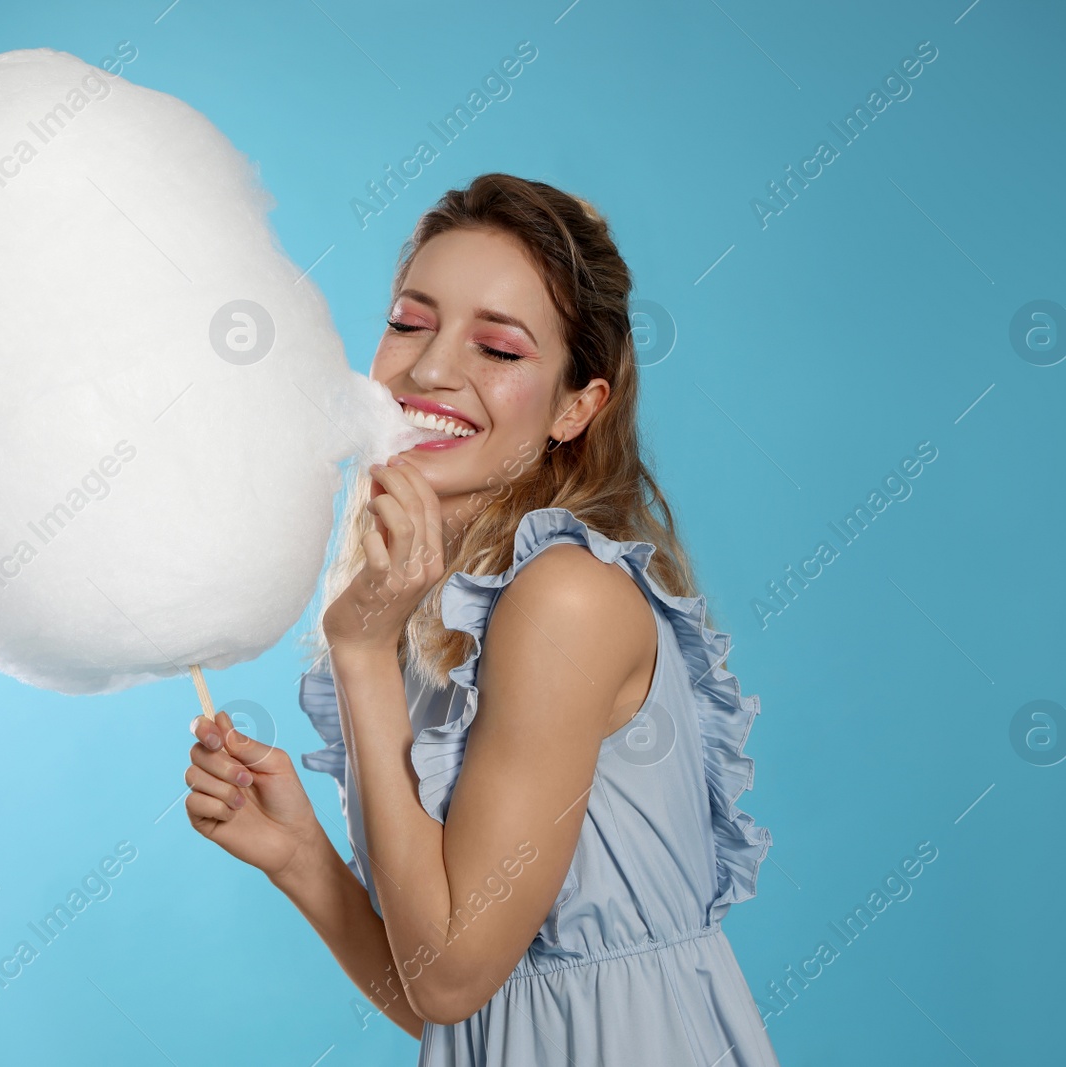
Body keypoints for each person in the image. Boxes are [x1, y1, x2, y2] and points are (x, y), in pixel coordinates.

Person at [185, 173, 779, 1066]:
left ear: (578, 407)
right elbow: (469, 1008)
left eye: (498, 349)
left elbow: (449, 980)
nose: (427, 369)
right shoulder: (445, 613)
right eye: (409, 321)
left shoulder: (563, 599)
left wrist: (361, 649)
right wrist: (302, 856)